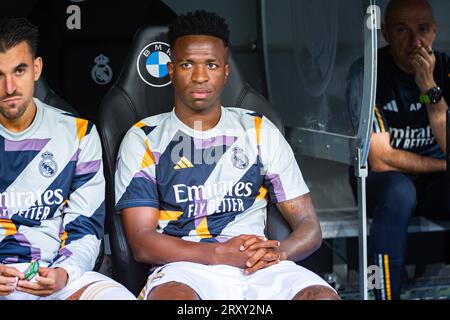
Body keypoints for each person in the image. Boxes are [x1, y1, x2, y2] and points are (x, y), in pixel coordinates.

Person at [115, 10, 340, 300]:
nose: (199, 77)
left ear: (225, 71)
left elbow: (310, 227)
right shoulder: (144, 139)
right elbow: (142, 242)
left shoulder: (258, 130)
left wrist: (279, 251)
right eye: (187, 64)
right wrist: (219, 253)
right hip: (186, 267)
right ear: (171, 70)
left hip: (260, 266)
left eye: (211, 64)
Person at [0, 17, 135, 300]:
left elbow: (85, 227)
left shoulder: (79, 134)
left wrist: (64, 272)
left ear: (36, 69)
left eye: (19, 70)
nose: (9, 87)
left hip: (56, 274)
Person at [347, 0, 449, 300]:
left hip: (433, 185)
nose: (415, 41)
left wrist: (429, 87)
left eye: (423, 30)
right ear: (386, 33)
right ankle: (384, 295)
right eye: (403, 29)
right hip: (383, 183)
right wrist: (442, 166)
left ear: (435, 31)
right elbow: (379, 158)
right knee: (399, 192)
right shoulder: (368, 72)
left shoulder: (443, 69)